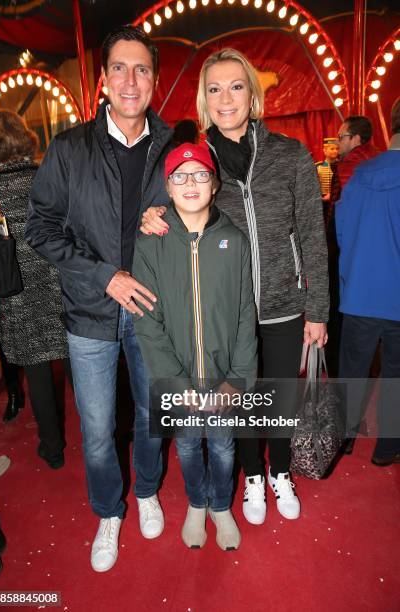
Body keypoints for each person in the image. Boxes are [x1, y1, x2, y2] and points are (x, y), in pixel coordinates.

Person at [140, 48, 329, 526]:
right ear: (204, 100)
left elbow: (312, 235)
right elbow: (170, 202)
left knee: (279, 398)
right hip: (225, 312)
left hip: (285, 303)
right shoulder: (198, 162)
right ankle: (250, 477)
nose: (226, 98)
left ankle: (279, 471)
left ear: (253, 94)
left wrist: (318, 309)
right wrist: (153, 214)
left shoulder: (290, 156)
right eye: (214, 88)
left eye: (236, 86)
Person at [25, 25, 172, 573]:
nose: (130, 80)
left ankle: (149, 491)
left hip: (155, 311)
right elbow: (40, 228)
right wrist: (104, 276)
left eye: (141, 69)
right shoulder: (69, 149)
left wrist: (174, 219)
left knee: (155, 414)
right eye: (119, 68)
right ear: (103, 81)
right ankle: (109, 511)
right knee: (95, 428)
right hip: (89, 311)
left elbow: (200, 211)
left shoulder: (172, 147)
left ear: (154, 80)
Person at [133, 143, 257, 550]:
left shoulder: (233, 241)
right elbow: (147, 321)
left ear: (215, 184)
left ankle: (221, 504)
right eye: (180, 176)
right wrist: (174, 381)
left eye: (201, 174)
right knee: (186, 443)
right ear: (167, 187)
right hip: (178, 376)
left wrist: (237, 380)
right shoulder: (151, 243)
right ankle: (197, 504)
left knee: (222, 446)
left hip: (222, 375)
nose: (191, 183)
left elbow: (244, 316)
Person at [0, 110, 70, 469]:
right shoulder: (48, 179)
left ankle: (52, 449)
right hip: (61, 283)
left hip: (18, 291)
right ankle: (108, 431)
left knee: (37, 372)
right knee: (79, 365)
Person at [336, 97, 400, 466]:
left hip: (360, 292)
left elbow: (343, 230)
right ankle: (388, 447)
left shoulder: (359, 174)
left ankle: (344, 437)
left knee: (352, 370)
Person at [325, 117, 378, 381]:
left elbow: (344, 214)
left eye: (341, 137)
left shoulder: (353, 166)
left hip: (348, 254)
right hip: (373, 257)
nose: (337, 142)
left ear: (356, 138)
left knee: (341, 314)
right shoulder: (372, 159)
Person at [315, 137, 339, 219]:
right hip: (322, 201)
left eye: (337, 148)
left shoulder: (342, 166)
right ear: (324, 150)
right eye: (332, 149)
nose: (335, 151)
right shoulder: (318, 166)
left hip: (337, 200)